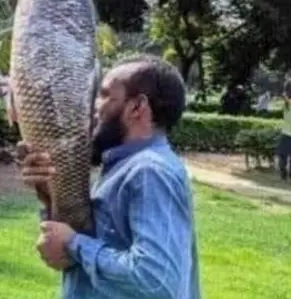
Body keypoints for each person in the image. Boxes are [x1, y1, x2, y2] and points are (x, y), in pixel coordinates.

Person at [16, 55, 200, 299]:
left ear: (137, 107)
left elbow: (157, 282)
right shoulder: (125, 167)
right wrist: (48, 192)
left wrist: (74, 244)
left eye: (103, 95)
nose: (92, 106)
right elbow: (76, 252)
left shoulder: (150, 172)